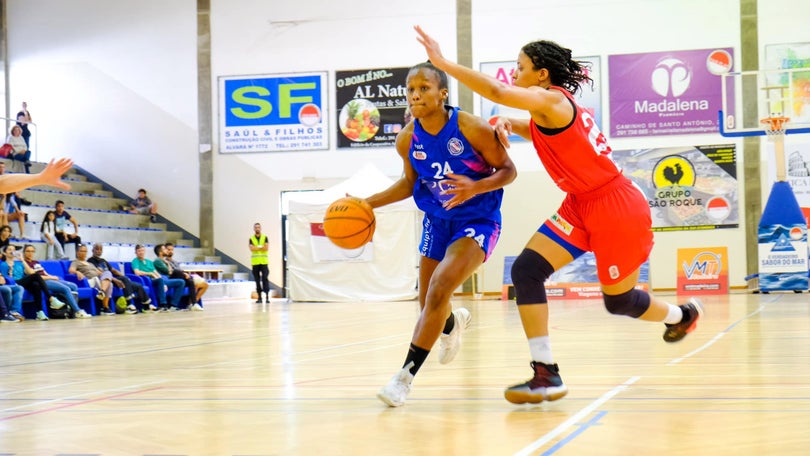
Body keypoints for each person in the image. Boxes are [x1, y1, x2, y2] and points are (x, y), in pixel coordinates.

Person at [414, 26, 705, 405]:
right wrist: (508, 125)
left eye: (520, 67)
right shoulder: (549, 110)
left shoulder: (550, 100)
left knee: (619, 301)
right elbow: (540, 133)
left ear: (541, 75)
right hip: (580, 204)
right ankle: (545, 372)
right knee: (526, 271)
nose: (513, 74)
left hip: (615, 207)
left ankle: (681, 315)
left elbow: (500, 93)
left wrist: (442, 63)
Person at [367, 61, 516, 407]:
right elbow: (409, 183)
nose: (416, 95)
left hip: (478, 219)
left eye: (424, 88)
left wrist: (475, 186)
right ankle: (452, 324)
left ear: (443, 93)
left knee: (439, 287)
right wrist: (367, 203)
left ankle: (403, 379)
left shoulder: (471, 128)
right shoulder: (407, 139)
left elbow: (509, 170)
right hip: (437, 220)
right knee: (429, 303)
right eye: (411, 90)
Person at [22, 243, 91, 318]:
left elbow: (45, 273)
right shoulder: (24, 264)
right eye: (28, 251)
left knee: (73, 286)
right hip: (43, 282)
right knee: (66, 289)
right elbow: (36, 277)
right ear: (24, 252)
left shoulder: (36, 262)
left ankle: (72, 311)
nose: (30, 253)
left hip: (48, 278)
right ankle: (78, 311)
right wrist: (51, 278)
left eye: (32, 251)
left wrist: (53, 276)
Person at [0, 244, 65, 320]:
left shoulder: (19, 263)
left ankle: (40, 312)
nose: (12, 251)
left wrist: (22, 260)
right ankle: (51, 298)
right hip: (12, 283)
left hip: (21, 281)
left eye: (13, 250)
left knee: (36, 285)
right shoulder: (3, 264)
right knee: (36, 276)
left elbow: (30, 272)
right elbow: (5, 278)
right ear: (5, 253)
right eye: (9, 250)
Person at [87, 243, 146, 313]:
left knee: (137, 285)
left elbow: (114, 270)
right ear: (92, 250)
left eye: (100, 249)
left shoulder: (103, 260)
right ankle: (129, 305)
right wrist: (117, 280)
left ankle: (147, 306)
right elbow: (100, 273)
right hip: (103, 281)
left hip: (112, 279)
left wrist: (125, 277)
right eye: (97, 249)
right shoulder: (90, 261)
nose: (98, 251)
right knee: (123, 280)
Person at [131, 244, 182, 311]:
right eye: (139, 251)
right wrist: (149, 273)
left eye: (142, 250)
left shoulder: (149, 261)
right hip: (148, 280)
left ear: (145, 251)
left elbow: (156, 273)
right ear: (136, 253)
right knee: (160, 280)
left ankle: (173, 305)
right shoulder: (135, 261)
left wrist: (163, 282)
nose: (141, 252)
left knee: (181, 282)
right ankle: (163, 304)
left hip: (158, 279)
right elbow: (137, 272)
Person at [68, 244, 115, 315]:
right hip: (88, 281)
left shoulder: (90, 263)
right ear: (77, 252)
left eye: (85, 251)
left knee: (109, 280)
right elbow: (71, 270)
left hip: (97, 280)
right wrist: (77, 272)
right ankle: (102, 296)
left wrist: (106, 274)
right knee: (103, 280)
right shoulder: (75, 262)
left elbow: (99, 273)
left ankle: (104, 306)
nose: (84, 253)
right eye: (82, 251)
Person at [152, 243, 196, 310]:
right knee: (177, 273)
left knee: (183, 282)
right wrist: (168, 264)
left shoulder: (164, 260)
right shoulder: (158, 261)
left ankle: (174, 305)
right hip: (163, 279)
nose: (166, 250)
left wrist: (167, 263)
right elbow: (169, 272)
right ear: (160, 252)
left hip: (168, 279)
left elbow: (170, 271)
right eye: (165, 249)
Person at [164, 242, 207, 308]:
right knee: (177, 272)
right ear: (165, 250)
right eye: (168, 249)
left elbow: (181, 270)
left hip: (181, 277)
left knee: (196, 283)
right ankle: (192, 303)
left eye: (172, 250)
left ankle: (193, 304)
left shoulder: (175, 262)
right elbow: (171, 272)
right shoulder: (163, 261)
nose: (170, 251)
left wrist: (185, 274)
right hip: (172, 278)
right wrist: (184, 274)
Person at [249, 223, 271, 303]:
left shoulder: (265, 237)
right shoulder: (251, 238)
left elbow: (266, 248)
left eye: (258, 227)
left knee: (265, 278)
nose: (257, 229)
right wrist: (261, 247)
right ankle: (259, 298)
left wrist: (256, 247)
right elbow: (251, 249)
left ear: (260, 228)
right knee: (257, 280)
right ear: (254, 229)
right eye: (255, 227)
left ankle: (267, 297)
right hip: (255, 263)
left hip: (264, 262)